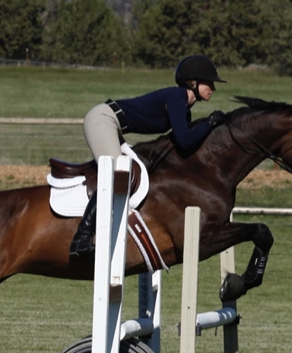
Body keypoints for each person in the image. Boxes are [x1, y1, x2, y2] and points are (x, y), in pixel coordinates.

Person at [69, 54, 228, 257]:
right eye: (209, 84)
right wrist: (210, 122)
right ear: (193, 83)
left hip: (113, 125)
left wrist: (210, 126)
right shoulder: (177, 97)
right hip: (103, 120)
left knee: (134, 173)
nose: (213, 89)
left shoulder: (184, 106)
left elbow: (184, 145)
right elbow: (186, 140)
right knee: (117, 176)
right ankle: (81, 239)